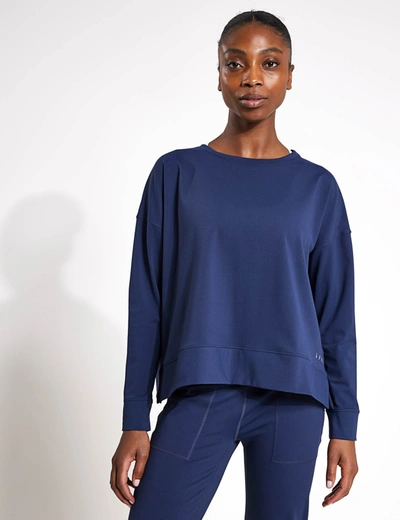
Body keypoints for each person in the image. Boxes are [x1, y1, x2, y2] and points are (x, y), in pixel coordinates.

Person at [110, 9, 359, 519]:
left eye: (270, 63)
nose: (252, 78)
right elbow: (147, 300)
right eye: (235, 63)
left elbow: (336, 315)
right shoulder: (176, 174)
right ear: (219, 74)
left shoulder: (317, 188)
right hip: (201, 387)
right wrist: (135, 416)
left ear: (290, 75)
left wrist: (346, 424)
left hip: (293, 402)